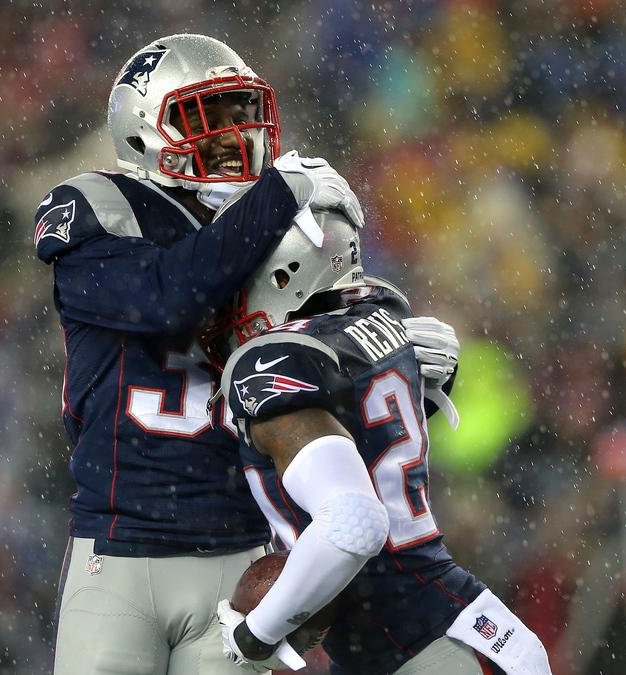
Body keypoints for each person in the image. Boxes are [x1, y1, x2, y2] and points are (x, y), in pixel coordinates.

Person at [34, 34, 458, 674]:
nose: (234, 133)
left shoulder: (279, 220)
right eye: (207, 116)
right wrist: (278, 197)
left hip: (241, 553)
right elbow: (167, 298)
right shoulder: (98, 207)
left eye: (240, 113)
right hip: (119, 551)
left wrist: (395, 350)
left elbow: (327, 359)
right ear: (144, 129)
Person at [208, 208, 553, 675]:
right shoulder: (378, 323)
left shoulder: (276, 356)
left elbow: (353, 521)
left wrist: (256, 634)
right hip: (446, 626)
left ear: (284, 271)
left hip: (419, 645)